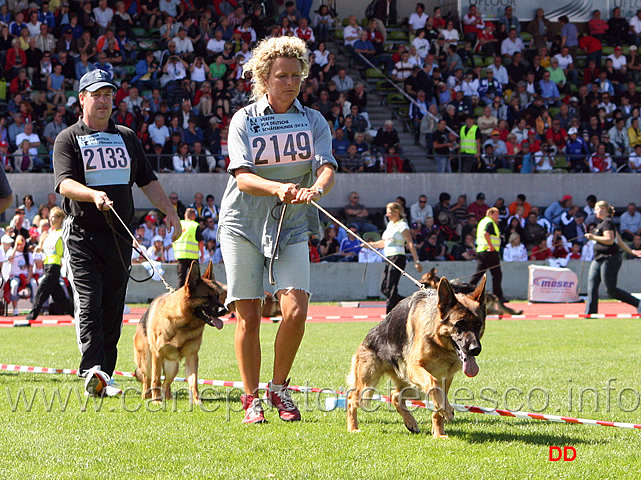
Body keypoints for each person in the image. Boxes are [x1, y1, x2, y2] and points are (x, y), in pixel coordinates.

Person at [217, 36, 337, 425]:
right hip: (243, 222)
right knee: (248, 315)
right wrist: (278, 188)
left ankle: (279, 387)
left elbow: (327, 167)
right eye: (281, 75)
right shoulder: (244, 120)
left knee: (296, 311)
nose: (290, 82)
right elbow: (243, 177)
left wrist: (318, 187)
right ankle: (251, 398)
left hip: (293, 223)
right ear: (263, 78)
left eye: (296, 75)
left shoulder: (314, 120)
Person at [53, 70, 181, 398]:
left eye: (108, 95)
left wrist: (169, 210)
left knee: (113, 306)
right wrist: (91, 194)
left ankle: (104, 376)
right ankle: (92, 369)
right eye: (96, 95)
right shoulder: (68, 138)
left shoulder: (126, 137)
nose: (104, 101)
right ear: (82, 99)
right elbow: (64, 183)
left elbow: (147, 180)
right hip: (83, 236)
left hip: (120, 237)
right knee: (90, 302)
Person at [584, 200, 641, 315]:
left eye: (597, 209)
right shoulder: (601, 223)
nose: (595, 211)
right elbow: (619, 240)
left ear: (604, 209)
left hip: (609, 258)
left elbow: (610, 240)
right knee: (592, 286)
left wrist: (593, 237)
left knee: (611, 290)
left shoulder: (607, 222)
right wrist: (631, 251)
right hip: (598, 258)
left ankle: (638, 303)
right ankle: (590, 313)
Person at [365, 202, 422, 314]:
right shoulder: (390, 225)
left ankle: (389, 314)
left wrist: (417, 261)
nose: (388, 215)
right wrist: (370, 244)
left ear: (397, 212)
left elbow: (410, 243)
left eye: (390, 212)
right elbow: (383, 243)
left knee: (391, 287)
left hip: (398, 257)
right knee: (384, 287)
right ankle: (407, 303)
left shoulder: (402, 226)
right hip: (388, 258)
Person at [26, 207, 74, 320]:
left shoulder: (63, 233)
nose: (50, 219)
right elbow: (47, 249)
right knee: (60, 297)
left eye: (53, 217)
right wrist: (39, 249)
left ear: (60, 218)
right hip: (47, 264)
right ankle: (76, 315)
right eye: (50, 217)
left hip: (54, 265)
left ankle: (32, 316)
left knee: (41, 291)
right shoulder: (50, 233)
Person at [469, 207, 506, 302]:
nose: (498, 217)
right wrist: (491, 246)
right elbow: (486, 234)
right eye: (496, 215)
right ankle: (498, 296)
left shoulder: (482, 222)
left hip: (482, 250)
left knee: (478, 273)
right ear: (490, 214)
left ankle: (466, 290)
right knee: (497, 274)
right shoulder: (490, 222)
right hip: (490, 251)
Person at [173, 207, 205, 287]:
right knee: (194, 279)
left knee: (181, 278)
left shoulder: (179, 224)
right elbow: (200, 241)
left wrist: (175, 253)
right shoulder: (195, 225)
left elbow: (173, 239)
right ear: (193, 216)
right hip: (192, 256)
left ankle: (179, 297)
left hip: (181, 256)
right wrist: (202, 254)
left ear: (185, 215)